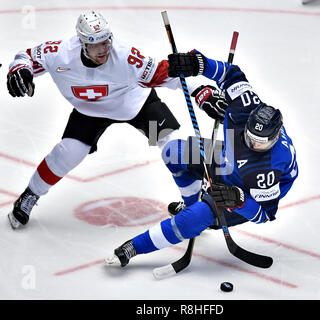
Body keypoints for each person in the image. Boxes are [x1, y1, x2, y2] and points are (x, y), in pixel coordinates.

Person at [6, 11, 215, 229]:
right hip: (91, 112)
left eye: (106, 41)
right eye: (95, 45)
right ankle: (30, 195)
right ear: (82, 43)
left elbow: (166, 75)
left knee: (172, 145)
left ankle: (194, 204)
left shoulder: (125, 56)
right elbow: (26, 57)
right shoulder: (60, 53)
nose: (104, 49)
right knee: (67, 153)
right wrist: (19, 70)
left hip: (136, 105)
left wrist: (200, 91)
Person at [106, 50, 299, 268]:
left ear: (274, 137)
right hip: (228, 157)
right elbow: (230, 74)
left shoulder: (271, 167)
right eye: (250, 137)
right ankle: (192, 203)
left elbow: (264, 214)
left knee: (193, 219)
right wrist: (199, 64)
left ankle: (136, 246)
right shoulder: (245, 105)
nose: (254, 144)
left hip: (246, 190)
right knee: (172, 152)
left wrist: (238, 199)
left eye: (261, 143)